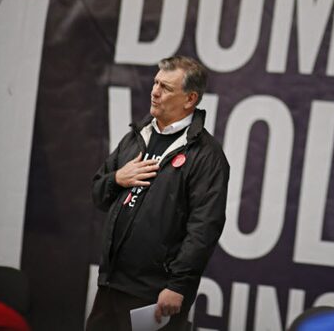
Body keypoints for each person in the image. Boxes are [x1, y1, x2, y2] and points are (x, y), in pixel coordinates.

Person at [86, 56, 229, 331]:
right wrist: (117, 178)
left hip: (155, 295)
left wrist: (179, 286)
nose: (154, 91)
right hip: (110, 285)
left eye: (165, 87)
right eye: (155, 82)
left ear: (190, 99)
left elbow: (204, 227)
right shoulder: (136, 136)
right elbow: (98, 193)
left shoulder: (207, 156)